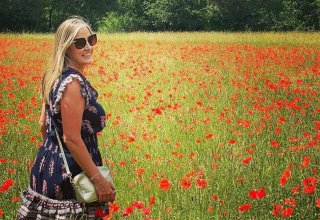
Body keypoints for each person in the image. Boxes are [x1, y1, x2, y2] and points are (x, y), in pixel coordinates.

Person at [17, 16, 115, 219]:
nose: (88, 46)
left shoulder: (53, 75)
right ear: (66, 47)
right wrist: (97, 179)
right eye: (80, 42)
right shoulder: (72, 83)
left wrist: (53, 153)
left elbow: (43, 124)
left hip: (47, 166)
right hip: (70, 174)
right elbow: (71, 138)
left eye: (91, 39)